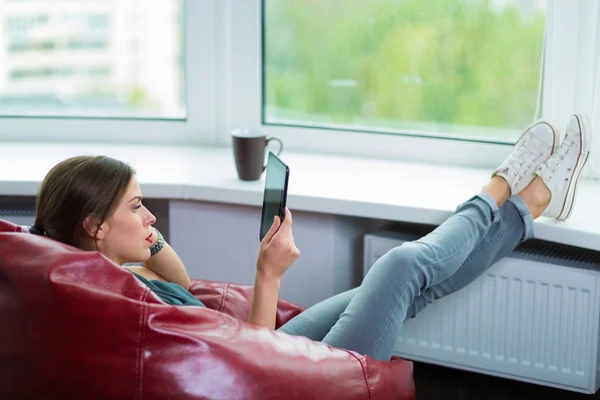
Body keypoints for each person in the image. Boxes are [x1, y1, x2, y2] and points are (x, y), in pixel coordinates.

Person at [29, 113, 591, 362]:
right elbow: (245, 362)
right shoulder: (123, 296)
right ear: (94, 227)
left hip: (246, 350)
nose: (150, 216)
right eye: (136, 206)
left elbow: (177, 282)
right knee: (400, 269)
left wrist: (140, 235)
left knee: (410, 284)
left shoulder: (111, 272)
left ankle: (532, 199)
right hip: (266, 377)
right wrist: (267, 274)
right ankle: (504, 187)